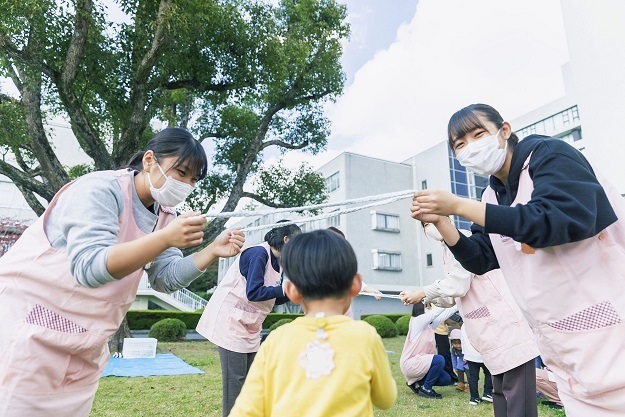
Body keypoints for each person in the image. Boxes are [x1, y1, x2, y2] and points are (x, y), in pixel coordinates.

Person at [0, 127, 245, 417]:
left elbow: (165, 279)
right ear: (150, 160)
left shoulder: (165, 215)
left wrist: (211, 252)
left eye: (193, 180)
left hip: (85, 345)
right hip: (29, 330)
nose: (186, 185)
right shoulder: (100, 190)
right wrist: (165, 238)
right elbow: (89, 268)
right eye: (181, 172)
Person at [411, 103, 625, 416]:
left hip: (610, 324)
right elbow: (480, 259)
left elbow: (553, 219)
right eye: (460, 144)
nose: (470, 147)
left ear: (505, 131)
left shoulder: (548, 154)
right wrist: (444, 222)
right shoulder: (490, 196)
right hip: (561, 343)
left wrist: (458, 205)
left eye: (478, 134)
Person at [228, 229, 397, 416]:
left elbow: (245, 410)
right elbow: (386, 399)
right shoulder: (366, 336)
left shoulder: (276, 340)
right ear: (356, 285)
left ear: (291, 291)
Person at [401, 221, 539, 417]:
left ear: (446, 217)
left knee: (518, 399)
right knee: (500, 394)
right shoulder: (446, 251)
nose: (429, 227)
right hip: (489, 332)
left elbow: (458, 284)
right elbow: (452, 296)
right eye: (425, 225)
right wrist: (422, 296)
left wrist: (423, 292)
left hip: (505, 327)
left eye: (432, 220)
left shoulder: (462, 238)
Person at [196, 221, 301, 417]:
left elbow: (273, 297)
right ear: (286, 240)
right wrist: (289, 289)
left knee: (253, 379)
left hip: (250, 325)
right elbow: (254, 292)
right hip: (230, 321)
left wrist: (294, 293)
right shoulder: (258, 254)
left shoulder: (279, 264)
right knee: (235, 382)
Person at [400, 302, 458, 399]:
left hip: (421, 363)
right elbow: (435, 313)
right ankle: (426, 389)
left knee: (446, 379)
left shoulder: (429, 325)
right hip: (410, 364)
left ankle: (416, 383)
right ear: (420, 309)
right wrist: (444, 300)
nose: (431, 309)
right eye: (427, 307)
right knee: (439, 359)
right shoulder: (417, 321)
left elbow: (446, 313)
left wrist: (459, 302)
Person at [327, 226, 383, 317]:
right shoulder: (315, 266)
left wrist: (370, 290)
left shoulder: (342, 266)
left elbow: (352, 280)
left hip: (344, 317)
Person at [460, 325, 493, 406]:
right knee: (489, 372)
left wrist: (464, 354)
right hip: (482, 354)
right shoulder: (479, 322)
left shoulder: (464, 326)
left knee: (473, 376)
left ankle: (474, 398)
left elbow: (462, 341)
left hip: (470, 355)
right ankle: (487, 393)